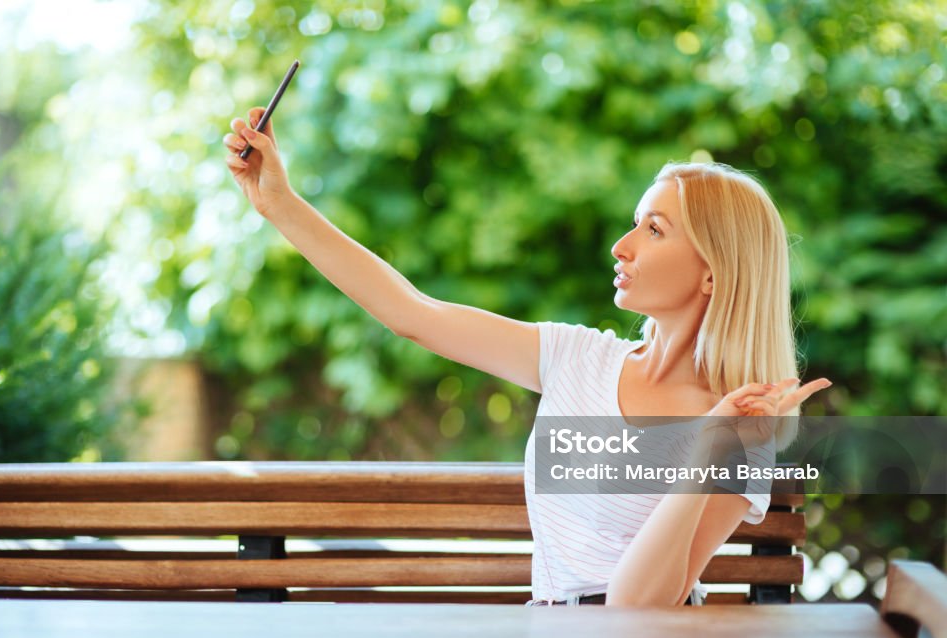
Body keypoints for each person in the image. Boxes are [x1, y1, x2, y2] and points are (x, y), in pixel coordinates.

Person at [223, 108, 832, 608]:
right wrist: (279, 202)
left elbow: (635, 609)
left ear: (712, 274)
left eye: (654, 230)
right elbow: (412, 314)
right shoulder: (577, 357)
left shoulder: (740, 431)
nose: (621, 246)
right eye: (633, 224)